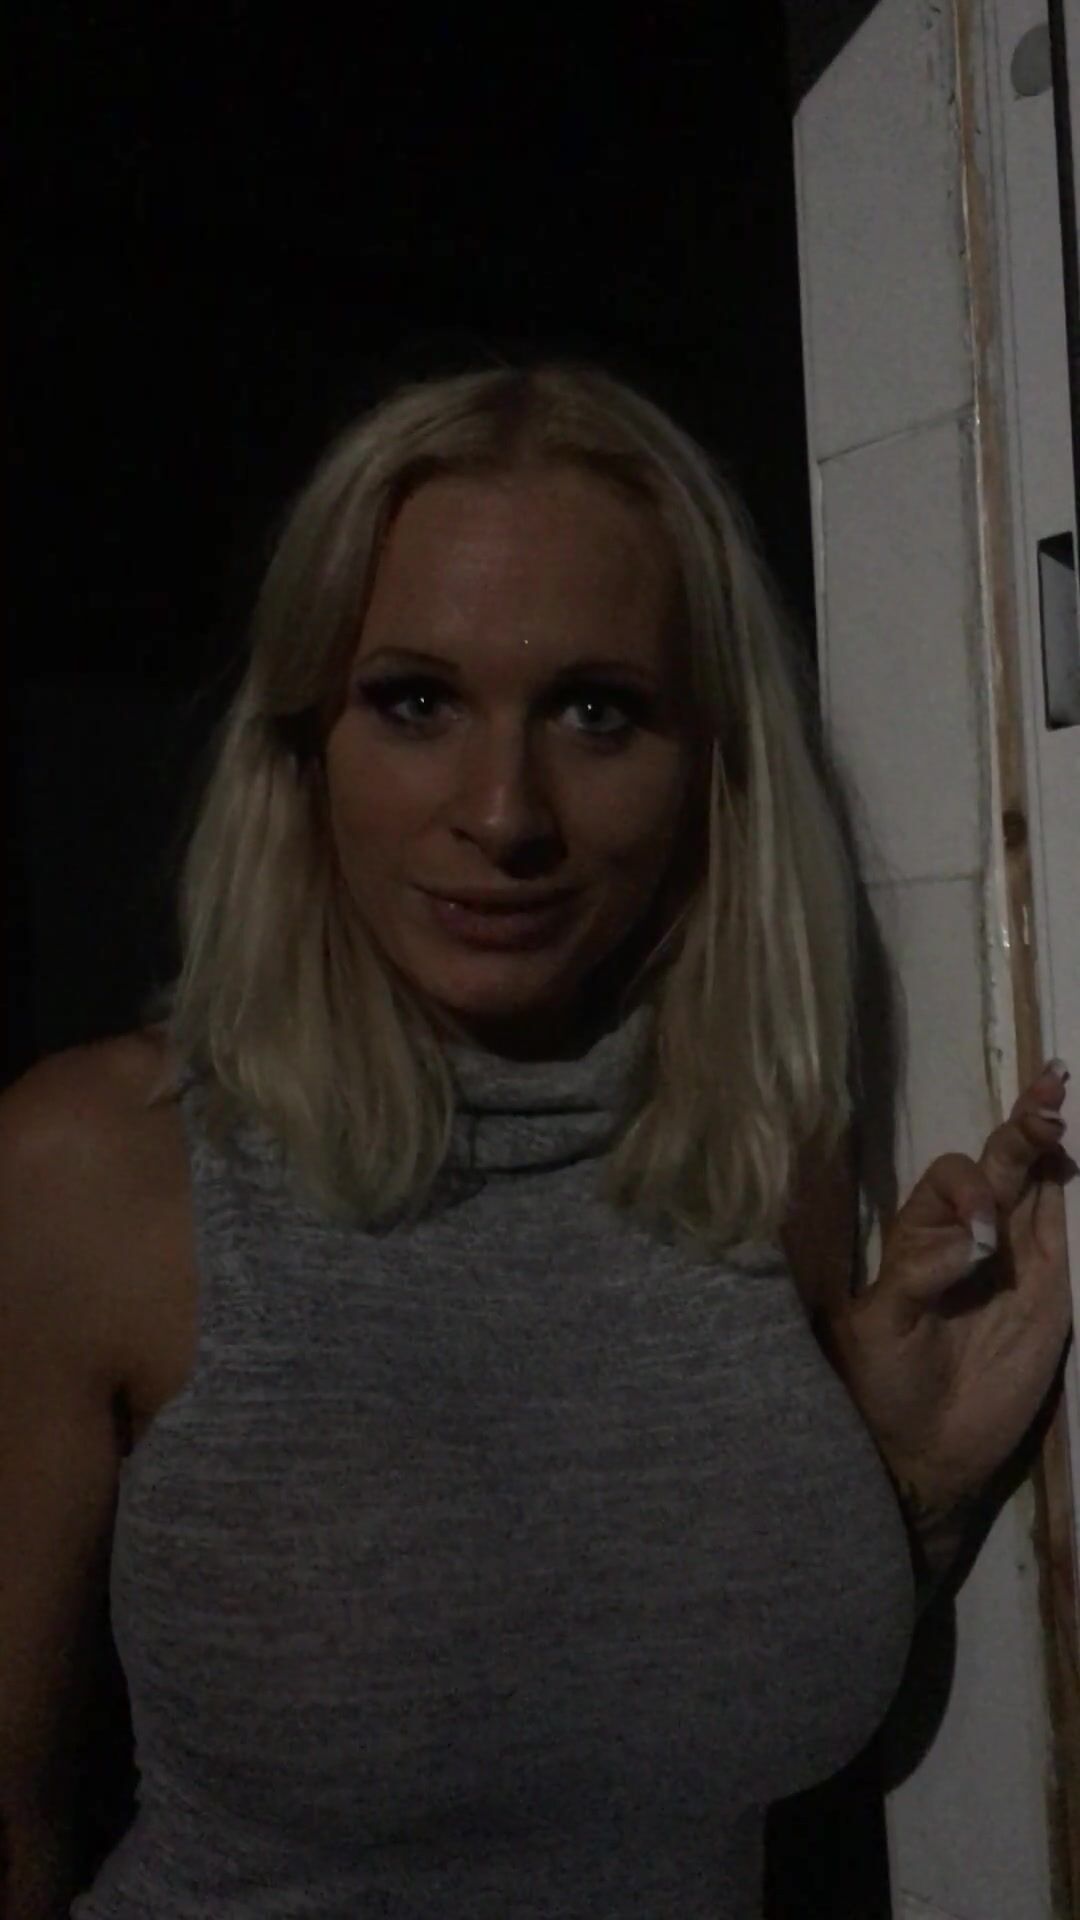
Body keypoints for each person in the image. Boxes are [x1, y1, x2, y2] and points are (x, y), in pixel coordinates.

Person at [0, 363, 1072, 1920]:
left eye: (596, 711)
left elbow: (652, 1718)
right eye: (415, 701)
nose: (504, 813)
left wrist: (911, 1477)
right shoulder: (94, 1171)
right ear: (304, 742)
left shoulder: (757, 1144)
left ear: (709, 764)